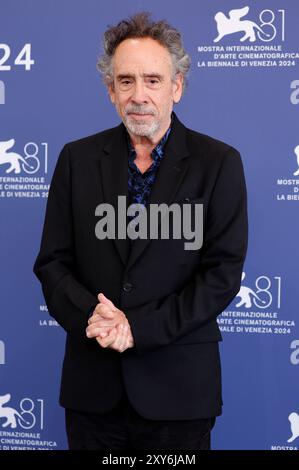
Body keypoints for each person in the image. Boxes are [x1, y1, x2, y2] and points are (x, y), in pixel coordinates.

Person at [33, 12, 248, 450]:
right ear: (111, 91)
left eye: (153, 80)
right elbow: (53, 263)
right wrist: (96, 318)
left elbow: (221, 275)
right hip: (93, 392)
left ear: (177, 87)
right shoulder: (76, 160)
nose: (139, 95)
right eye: (126, 81)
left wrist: (138, 328)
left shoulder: (219, 162)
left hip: (179, 393)